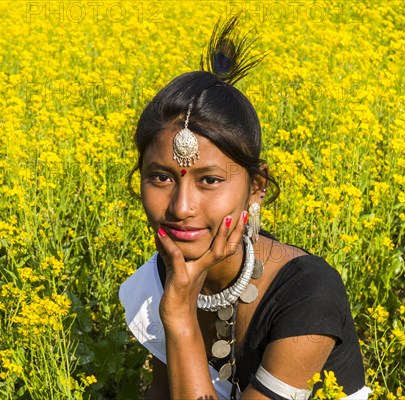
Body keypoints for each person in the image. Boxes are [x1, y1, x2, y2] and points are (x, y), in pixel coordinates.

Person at [119, 16, 371, 400]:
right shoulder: (165, 275)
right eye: (161, 177)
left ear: (257, 187)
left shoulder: (309, 294)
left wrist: (181, 316)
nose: (182, 207)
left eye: (210, 180)